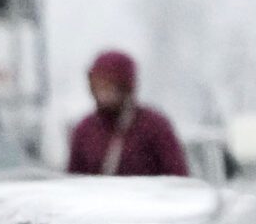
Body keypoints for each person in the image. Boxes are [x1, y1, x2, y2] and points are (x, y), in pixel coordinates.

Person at [64, 49, 189, 178]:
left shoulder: (154, 126)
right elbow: (74, 182)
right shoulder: (85, 130)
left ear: (126, 87)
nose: (103, 92)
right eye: (98, 84)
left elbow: (178, 178)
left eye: (110, 84)